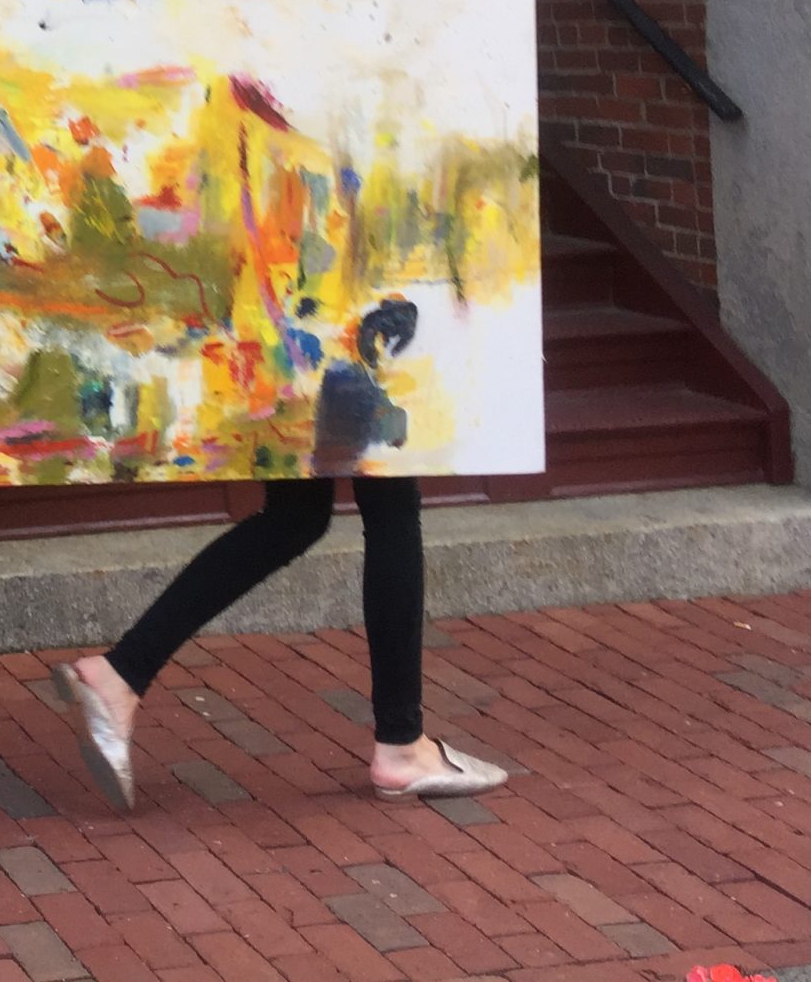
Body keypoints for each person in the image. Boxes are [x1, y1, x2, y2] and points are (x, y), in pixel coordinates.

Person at [60, 297, 510, 810]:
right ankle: (402, 746)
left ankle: (123, 672)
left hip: (292, 307)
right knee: (388, 504)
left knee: (296, 516)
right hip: (349, 301)